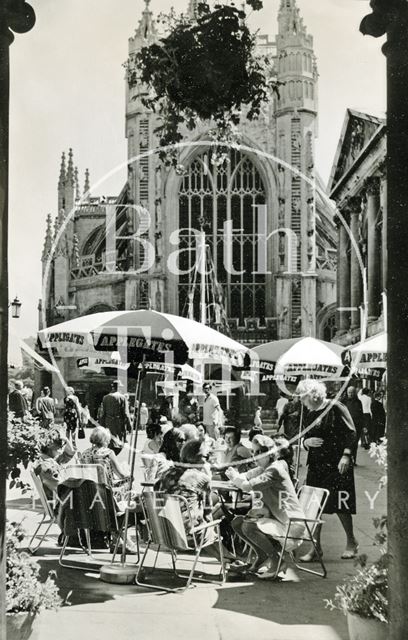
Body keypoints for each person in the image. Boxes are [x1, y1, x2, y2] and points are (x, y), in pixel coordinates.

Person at [297, 378, 358, 561]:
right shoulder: (309, 413)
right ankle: (316, 548)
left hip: (337, 463)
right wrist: (305, 442)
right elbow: (304, 437)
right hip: (316, 464)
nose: (300, 401)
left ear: (312, 395)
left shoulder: (336, 407)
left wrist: (346, 455)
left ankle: (351, 542)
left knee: (341, 504)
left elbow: (351, 432)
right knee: (314, 506)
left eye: (302, 397)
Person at [227, 435, 305, 578]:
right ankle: (262, 557)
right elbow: (245, 476)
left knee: (248, 526)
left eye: (259, 453)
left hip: (292, 525)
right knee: (237, 522)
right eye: (253, 452)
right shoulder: (264, 468)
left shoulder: (274, 469)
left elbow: (245, 485)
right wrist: (237, 477)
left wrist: (234, 477)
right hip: (280, 519)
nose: (255, 456)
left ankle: (277, 561)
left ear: (270, 453)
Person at [35, 430, 76, 499]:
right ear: (50, 445)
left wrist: (66, 439)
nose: (62, 448)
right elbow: (60, 489)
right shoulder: (48, 467)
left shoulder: (49, 460)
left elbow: (70, 453)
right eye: (59, 443)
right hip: (61, 504)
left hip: (61, 500)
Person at [99, 381, 132, 454]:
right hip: (118, 423)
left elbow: (102, 413)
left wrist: (101, 425)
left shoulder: (105, 397)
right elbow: (126, 413)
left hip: (108, 422)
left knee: (109, 441)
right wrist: (129, 426)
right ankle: (112, 457)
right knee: (119, 443)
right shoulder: (122, 397)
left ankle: (110, 457)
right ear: (119, 387)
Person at [343, 386, 365, 461]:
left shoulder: (358, 402)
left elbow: (361, 414)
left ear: (355, 393)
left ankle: (353, 459)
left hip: (356, 426)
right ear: (347, 393)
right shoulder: (344, 401)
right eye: (349, 392)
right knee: (346, 442)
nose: (351, 394)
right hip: (346, 425)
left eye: (352, 392)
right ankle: (346, 458)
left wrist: (362, 425)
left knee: (354, 443)